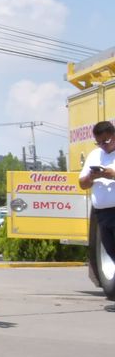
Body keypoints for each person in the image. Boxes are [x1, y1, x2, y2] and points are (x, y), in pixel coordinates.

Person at [78, 120, 115, 282]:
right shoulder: (94, 155)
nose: (102, 145)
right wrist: (90, 177)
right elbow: (82, 184)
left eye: (106, 141)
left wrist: (110, 174)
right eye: (98, 142)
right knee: (111, 252)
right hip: (101, 213)